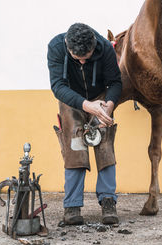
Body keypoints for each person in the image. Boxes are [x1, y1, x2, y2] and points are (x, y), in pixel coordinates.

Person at [47, 23, 122, 225]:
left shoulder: (105, 48)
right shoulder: (55, 47)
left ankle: (108, 201)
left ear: (94, 45)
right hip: (71, 99)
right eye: (76, 57)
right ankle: (72, 205)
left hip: (101, 99)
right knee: (75, 147)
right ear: (66, 45)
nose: (81, 61)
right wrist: (87, 106)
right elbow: (57, 86)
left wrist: (108, 107)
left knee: (104, 145)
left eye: (86, 57)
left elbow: (115, 82)